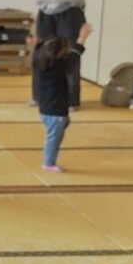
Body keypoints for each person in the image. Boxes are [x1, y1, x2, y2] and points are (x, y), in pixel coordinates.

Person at [32, 24, 92, 172]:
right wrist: (82, 37)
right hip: (55, 111)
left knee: (59, 126)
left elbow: (41, 49)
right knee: (54, 137)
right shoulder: (59, 67)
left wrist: (36, 44)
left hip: (46, 108)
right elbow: (75, 54)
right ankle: (48, 163)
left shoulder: (40, 62)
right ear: (59, 54)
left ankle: (49, 160)